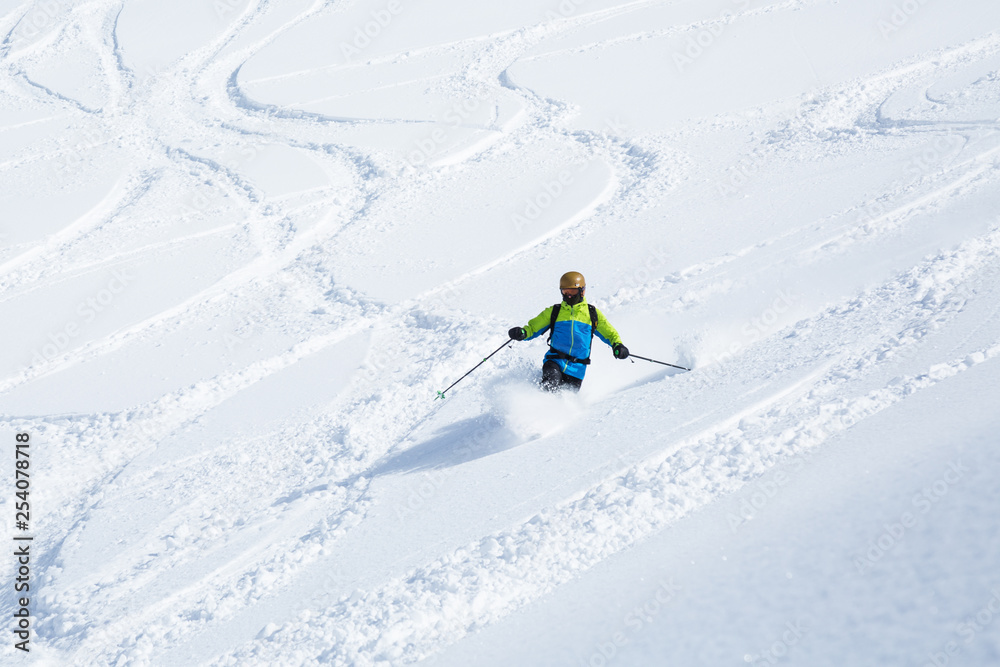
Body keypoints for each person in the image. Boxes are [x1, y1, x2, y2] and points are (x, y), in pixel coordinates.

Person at [508, 271, 629, 392]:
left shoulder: (592, 314)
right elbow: (533, 328)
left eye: (572, 292)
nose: (569, 296)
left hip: (577, 369)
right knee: (550, 387)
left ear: (582, 291)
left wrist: (617, 345)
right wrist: (523, 332)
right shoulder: (555, 311)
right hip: (554, 361)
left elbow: (609, 333)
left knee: (565, 401)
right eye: (565, 292)